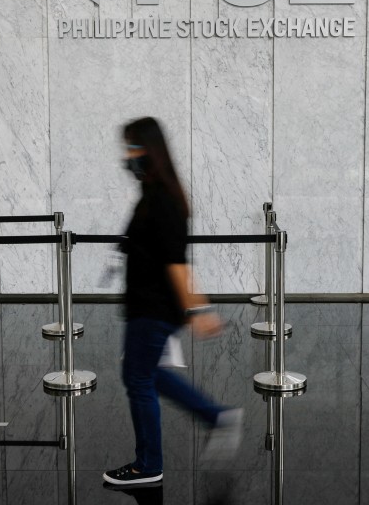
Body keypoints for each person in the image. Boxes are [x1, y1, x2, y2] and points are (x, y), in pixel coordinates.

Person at [103, 117, 243, 487]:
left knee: (137, 377)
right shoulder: (154, 196)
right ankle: (216, 418)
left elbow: (177, 264)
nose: (127, 157)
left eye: (133, 148)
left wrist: (198, 310)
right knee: (147, 374)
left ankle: (149, 465)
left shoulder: (163, 201)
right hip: (147, 307)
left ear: (151, 151)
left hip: (153, 309)